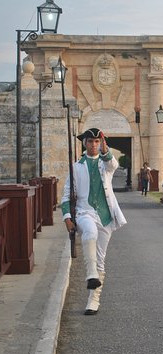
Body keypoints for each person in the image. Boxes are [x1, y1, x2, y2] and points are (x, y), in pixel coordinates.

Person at [61, 128, 127, 315]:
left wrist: (106, 150)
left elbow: (113, 164)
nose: (94, 145)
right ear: (85, 143)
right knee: (89, 233)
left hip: (105, 215)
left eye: (97, 142)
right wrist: (67, 217)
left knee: (100, 260)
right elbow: (66, 195)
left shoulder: (106, 164)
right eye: (90, 141)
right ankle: (91, 276)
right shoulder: (76, 166)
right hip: (84, 211)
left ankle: (93, 300)